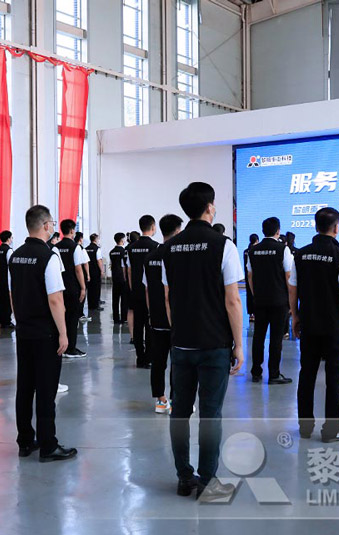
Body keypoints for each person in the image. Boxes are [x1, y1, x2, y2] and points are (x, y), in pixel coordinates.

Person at [162, 182, 243, 502]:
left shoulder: (169, 247)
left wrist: (179, 331)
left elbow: (168, 298)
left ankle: (184, 477)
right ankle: (209, 481)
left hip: (181, 344)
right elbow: (232, 300)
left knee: (179, 412)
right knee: (211, 414)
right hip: (214, 344)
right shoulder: (224, 245)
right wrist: (239, 345)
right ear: (210, 207)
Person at [9, 205, 77, 462]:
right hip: (45, 333)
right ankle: (49, 445)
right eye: (52, 224)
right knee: (46, 390)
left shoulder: (15, 256)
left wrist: (19, 320)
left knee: (25, 387)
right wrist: (63, 333)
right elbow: (55, 299)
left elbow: (13, 294)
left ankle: (25, 440)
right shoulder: (49, 256)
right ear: (46, 225)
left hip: (24, 331)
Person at [289, 207, 339, 443]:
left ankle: (305, 427)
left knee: (306, 374)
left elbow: (293, 288)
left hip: (309, 323)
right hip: (334, 326)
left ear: (316, 226)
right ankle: (330, 431)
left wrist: (295, 316)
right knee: (334, 378)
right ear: (336, 228)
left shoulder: (301, 254)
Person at [248, 217, 294, 385]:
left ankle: (256, 371)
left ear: (263, 231)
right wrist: (291, 300)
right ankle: (274, 374)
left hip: (260, 300)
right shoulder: (283, 249)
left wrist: (256, 294)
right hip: (279, 300)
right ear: (278, 231)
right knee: (276, 338)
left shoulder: (253, 250)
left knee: (258, 336)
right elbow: (288, 276)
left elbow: (250, 276)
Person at [144, 214, 182, 414]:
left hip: (157, 317)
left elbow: (147, 290)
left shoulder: (150, 257)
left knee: (158, 361)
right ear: (177, 231)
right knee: (179, 361)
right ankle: (177, 400)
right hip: (176, 318)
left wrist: (152, 313)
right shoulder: (178, 256)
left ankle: (160, 400)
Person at [128, 215, 159, 368]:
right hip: (151, 291)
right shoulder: (156, 246)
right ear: (153, 227)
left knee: (138, 325)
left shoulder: (131, 248)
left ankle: (140, 357)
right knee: (150, 324)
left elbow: (128, 270)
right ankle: (149, 357)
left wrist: (132, 287)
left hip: (136, 290)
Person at [55, 220, 87, 358]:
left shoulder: (55, 247)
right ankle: (70, 349)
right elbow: (78, 269)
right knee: (72, 318)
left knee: (60, 316)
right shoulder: (75, 247)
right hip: (72, 287)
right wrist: (83, 288)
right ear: (73, 230)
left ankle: (60, 346)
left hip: (59, 287)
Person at [0, 230, 14, 328]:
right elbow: (10, 265)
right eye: (11, 237)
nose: (12, 239)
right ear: (8, 239)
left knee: (1, 300)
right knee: (7, 300)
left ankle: (2, 320)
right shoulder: (9, 250)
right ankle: (7, 321)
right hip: (7, 279)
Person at [109, 233, 129, 324]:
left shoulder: (111, 252)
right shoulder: (124, 252)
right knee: (124, 299)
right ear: (121, 240)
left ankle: (116, 318)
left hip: (114, 277)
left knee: (115, 299)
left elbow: (111, 265)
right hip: (122, 277)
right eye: (124, 239)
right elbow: (124, 265)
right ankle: (124, 318)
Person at [85, 233, 104, 315]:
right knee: (96, 288)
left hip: (88, 271)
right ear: (96, 239)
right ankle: (96, 305)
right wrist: (102, 270)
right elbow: (99, 261)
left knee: (89, 288)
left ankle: (90, 305)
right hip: (96, 271)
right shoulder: (97, 249)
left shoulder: (86, 249)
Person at [74, 232, 91, 322]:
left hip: (70, 276)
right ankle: (80, 314)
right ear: (80, 239)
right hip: (80, 274)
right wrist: (88, 274)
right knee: (82, 294)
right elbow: (85, 263)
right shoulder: (80, 249)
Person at [243, 233, 259, 323]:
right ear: (257, 240)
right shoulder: (256, 251)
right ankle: (256, 312)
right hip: (256, 276)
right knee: (256, 294)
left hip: (247, 275)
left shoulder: (246, 251)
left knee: (249, 295)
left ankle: (251, 314)